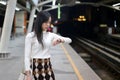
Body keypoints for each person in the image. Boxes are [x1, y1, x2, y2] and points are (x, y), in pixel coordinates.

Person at [24, 11, 72, 80]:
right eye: (46, 22)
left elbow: (69, 40)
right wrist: (28, 74)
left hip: (48, 66)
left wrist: (60, 40)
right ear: (40, 22)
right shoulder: (30, 36)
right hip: (36, 68)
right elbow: (27, 57)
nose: (48, 25)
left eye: (49, 22)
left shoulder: (50, 35)